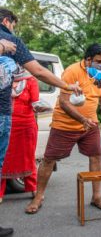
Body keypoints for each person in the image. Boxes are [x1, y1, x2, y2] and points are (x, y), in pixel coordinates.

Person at [0, 8, 80, 237]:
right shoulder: (10, 39)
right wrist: (67, 86)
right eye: (13, 24)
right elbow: (38, 71)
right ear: (8, 21)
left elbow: (36, 75)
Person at [25, 43, 101, 214]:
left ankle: (96, 196)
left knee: (96, 157)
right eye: (98, 61)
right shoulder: (72, 71)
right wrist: (82, 119)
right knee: (49, 159)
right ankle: (38, 196)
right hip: (64, 125)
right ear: (88, 60)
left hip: (90, 125)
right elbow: (64, 102)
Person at [0, 66, 48, 202]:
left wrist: (40, 107)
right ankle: (0, 193)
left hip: (26, 126)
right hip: (5, 124)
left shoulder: (31, 80)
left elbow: (35, 102)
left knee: (27, 157)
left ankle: (33, 189)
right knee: (2, 158)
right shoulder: (2, 78)